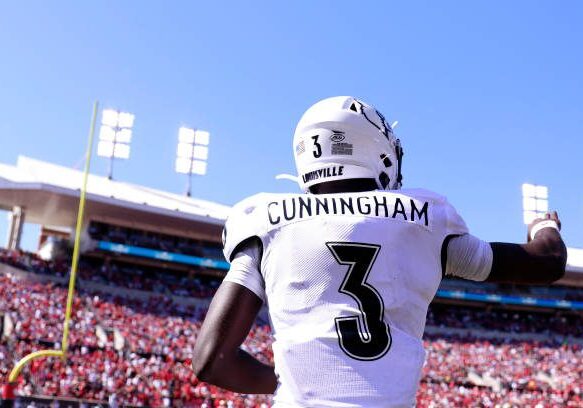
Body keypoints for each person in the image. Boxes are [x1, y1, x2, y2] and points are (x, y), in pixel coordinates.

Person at [192, 96, 567, 407]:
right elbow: (546, 263)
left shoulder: (266, 221)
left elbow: (211, 360)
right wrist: (544, 227)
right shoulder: (424, 218)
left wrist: (285, 388)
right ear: (377, 149)